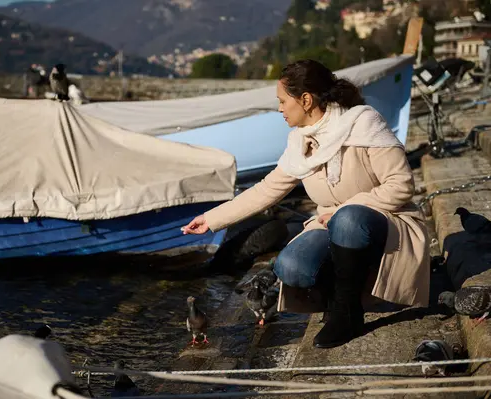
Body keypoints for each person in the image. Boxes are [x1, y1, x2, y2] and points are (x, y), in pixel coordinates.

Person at [181, 59, 430, 349]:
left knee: (348, 220)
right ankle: (344, 295)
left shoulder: (363, 123)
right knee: (290, 266)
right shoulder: (300, 142)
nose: (279, 109)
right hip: (332, 226)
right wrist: (210, 220)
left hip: (385, 223)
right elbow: (265, 190)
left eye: (283, 101)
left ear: (306, 100)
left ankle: (347, 313)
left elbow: (401, 185)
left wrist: (340, 211)